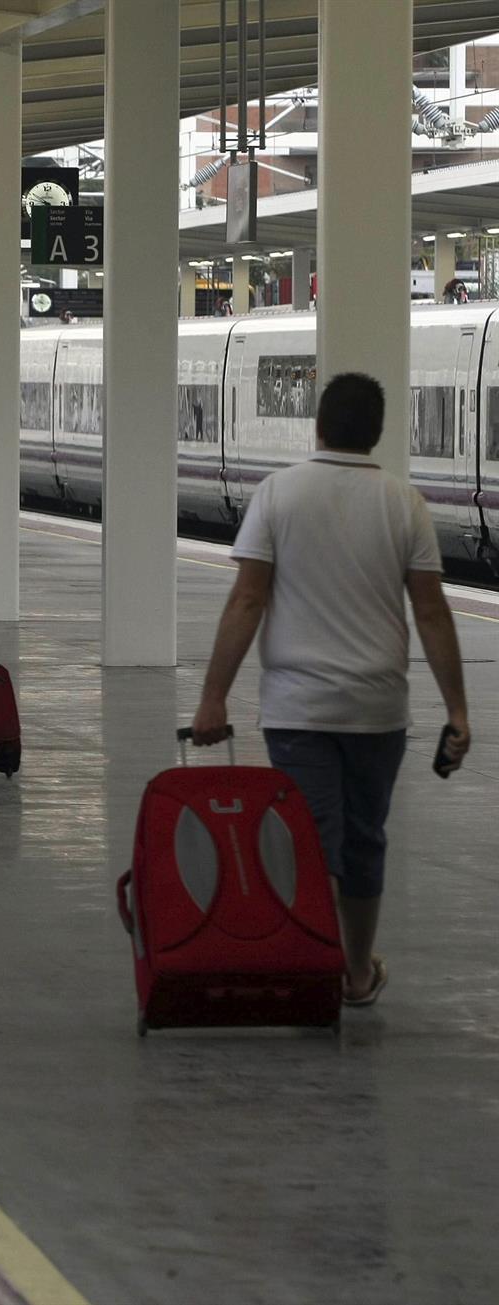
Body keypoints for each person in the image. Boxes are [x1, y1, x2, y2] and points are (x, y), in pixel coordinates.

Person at [190, 373, 470, 1008]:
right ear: (377, 433)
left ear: (316, 425)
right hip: (379, 710)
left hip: (298, 710)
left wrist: (214, 696)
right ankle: (355, 972)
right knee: (365, 837)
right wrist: (457, 710)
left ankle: (313, 962)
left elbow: (248, 598)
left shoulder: (277, 495)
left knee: (312, 840)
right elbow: (431, 612)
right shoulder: (405, 503)